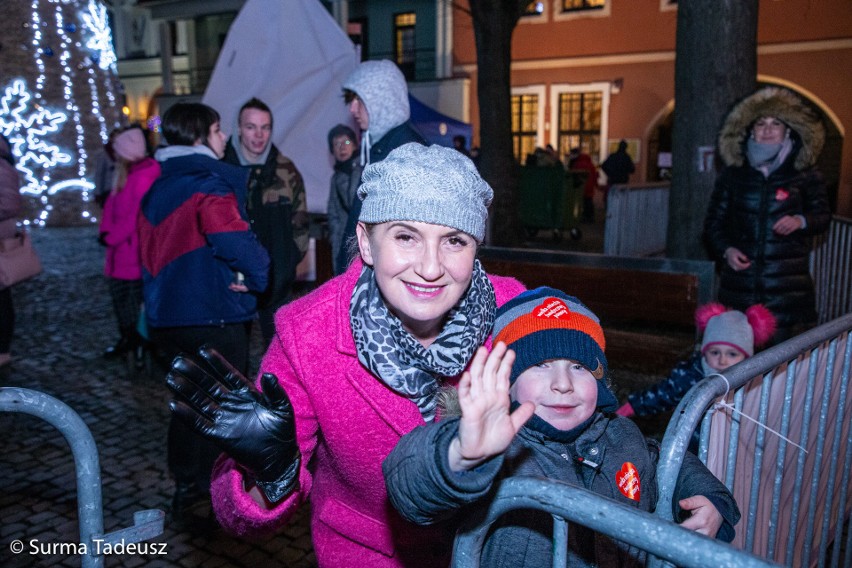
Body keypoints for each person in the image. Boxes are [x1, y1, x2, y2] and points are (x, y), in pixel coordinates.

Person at [165, 143, 527, 567]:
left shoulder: (515, 312)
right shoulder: (308, 333)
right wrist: (270, 473)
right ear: (367, 243)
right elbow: (239, 516)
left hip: (496, 551)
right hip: (370, 555)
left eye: (454, 240)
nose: (430, 267)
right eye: (406, 236)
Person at [384, 287, 741, 567]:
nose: (563, 384)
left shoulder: (620, 436)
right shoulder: (497, 451)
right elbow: (409, 486)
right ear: (506, 382)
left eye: (579, 367)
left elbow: (668, 461)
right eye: (541, 365)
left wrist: (712, 501)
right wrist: (460, 452)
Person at [138, 102, 270, 526]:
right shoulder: (207, 184)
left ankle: (187, 484)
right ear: (199, 136)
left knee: (187, 403)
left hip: (167, 318)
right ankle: (217, 493)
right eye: (217, 129)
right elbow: (236, 243)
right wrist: (258, 275)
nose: (224, 137)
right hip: (212, 314)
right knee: (223, 408)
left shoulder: (156, 187)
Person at [704, 87, 831, 343]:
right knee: (739, 359)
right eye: (761, 123)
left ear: (788, 130)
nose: (768, 129)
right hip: (739, 286)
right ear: (750, 130)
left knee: (782, 362)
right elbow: (713, 224)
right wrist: (726, 250)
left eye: (776, 123)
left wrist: (801, 221)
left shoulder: (804, 172)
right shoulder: (733, 174)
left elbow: (822, 215)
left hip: (786, 288)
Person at [222, 97, 309, 346]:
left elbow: (300, 222)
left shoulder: (286, 170)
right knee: (233, 357)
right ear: (239, 128)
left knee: (278, 355)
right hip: (233, 284)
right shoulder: (222, 170)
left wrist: (288, 260)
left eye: (265, 127)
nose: (259, 135)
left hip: (276, 283)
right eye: (251, 127)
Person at [334, 59, 426, 274]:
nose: (352, 108)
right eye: (350, 100)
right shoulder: (381, 147)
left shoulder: (405, 152)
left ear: (383, 99)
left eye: (360, 99)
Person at [616, 303, 776, 420]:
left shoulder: (755, 382)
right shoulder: (690, 375)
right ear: (704, 353)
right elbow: (664, 393)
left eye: (732, 354)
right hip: (695, 450)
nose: (722, 360)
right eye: (714, 352)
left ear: (746, 357)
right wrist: (634, 406)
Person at [99, 126, 160, 365]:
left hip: (131, 254)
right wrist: (105, 231)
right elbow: (112, 206)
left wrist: (111, 237)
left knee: (132, 304)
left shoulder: (143, 177)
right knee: (122, 301)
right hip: (120, 253)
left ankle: (139, 343)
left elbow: (135, 217)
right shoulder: (127, 174)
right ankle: (129, 339)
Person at [326, 124, 361, 275]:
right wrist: (335, 239)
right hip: (342, 241)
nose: (342, 148)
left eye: (346, 142)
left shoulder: (364, 169)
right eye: (336, 144)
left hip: (361, 238)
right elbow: (332, 212)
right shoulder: (336, 178)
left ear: (354, 145)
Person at [0, 134, 23, 368]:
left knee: (2, 296)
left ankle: (2, 348)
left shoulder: (2, 167)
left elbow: (10, 203)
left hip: (1, 240)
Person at [568, 146, 599, 223]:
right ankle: (590, 217)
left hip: (581, 185)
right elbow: (594, 175)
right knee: (589, 201)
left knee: (582, 202)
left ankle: (583, 217)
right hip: (590, 186)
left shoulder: (577, 163)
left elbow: (573, 174)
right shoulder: (590, 163)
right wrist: (595, 184)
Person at [601, 139, 635, 207]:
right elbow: (632, 170)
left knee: (611, 202)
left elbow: (603, 166)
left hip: (612, 182)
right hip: (623, 182)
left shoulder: (613, 156)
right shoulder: (626, 157)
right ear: (625, 148)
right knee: (621, 203)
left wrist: (609, 174)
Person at [93, 128, 119, 208]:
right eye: (115, 137)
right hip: (108, 189)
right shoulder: (104, 153)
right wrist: (98, 192)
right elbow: (99, 174)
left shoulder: (123, 152)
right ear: (111, 138)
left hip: (119, 188)